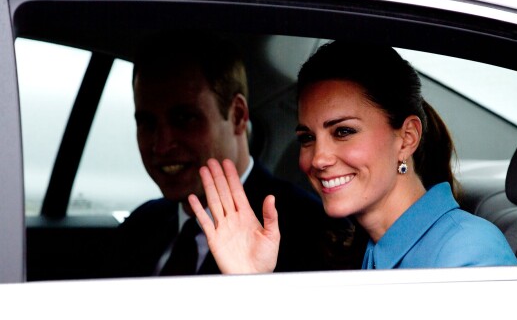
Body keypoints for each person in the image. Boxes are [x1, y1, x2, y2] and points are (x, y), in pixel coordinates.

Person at [188, 40, 517, 274]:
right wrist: (253, 285)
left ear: (407, 138)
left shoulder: (469, 254)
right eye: (307, 138)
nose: (318, 158)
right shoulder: (363, 249)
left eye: (343, 131)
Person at [102, 32, 366, 278]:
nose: (161, 145)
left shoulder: (312, 230)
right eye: (147, 123)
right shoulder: (140, 227)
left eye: (185, 119)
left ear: (238, 115)